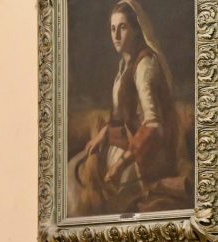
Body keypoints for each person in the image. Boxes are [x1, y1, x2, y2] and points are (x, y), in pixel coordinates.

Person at [67, 0, 190, 217]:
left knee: (88, 180)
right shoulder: (125, 65)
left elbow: (153, 125)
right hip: (131, 143)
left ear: (136, 30)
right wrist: (103, 134)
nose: (116, 35)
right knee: (76, 168)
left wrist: (120, 165)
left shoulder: (145, 66)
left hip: (148, 155)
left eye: (122, 28)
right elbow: (121, 115)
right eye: (112, 29)